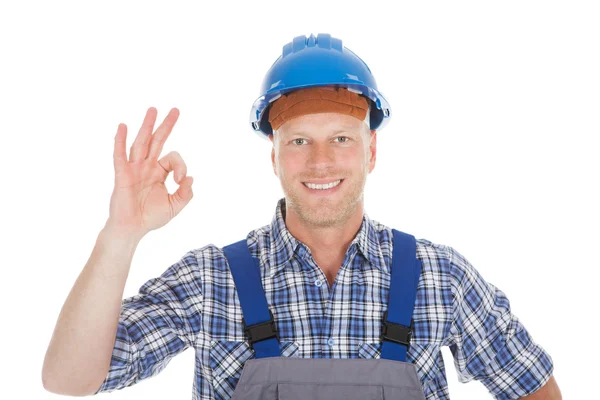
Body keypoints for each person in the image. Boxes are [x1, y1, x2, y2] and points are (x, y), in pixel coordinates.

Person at [42, 33, 562, 399]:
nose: (320, 161)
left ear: (371, 151)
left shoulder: (439, 277)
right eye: (298, 141)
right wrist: (120, 236)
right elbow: (69, 378)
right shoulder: (211, 280)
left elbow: (532, 386)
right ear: (273, 156)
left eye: (340, 138)